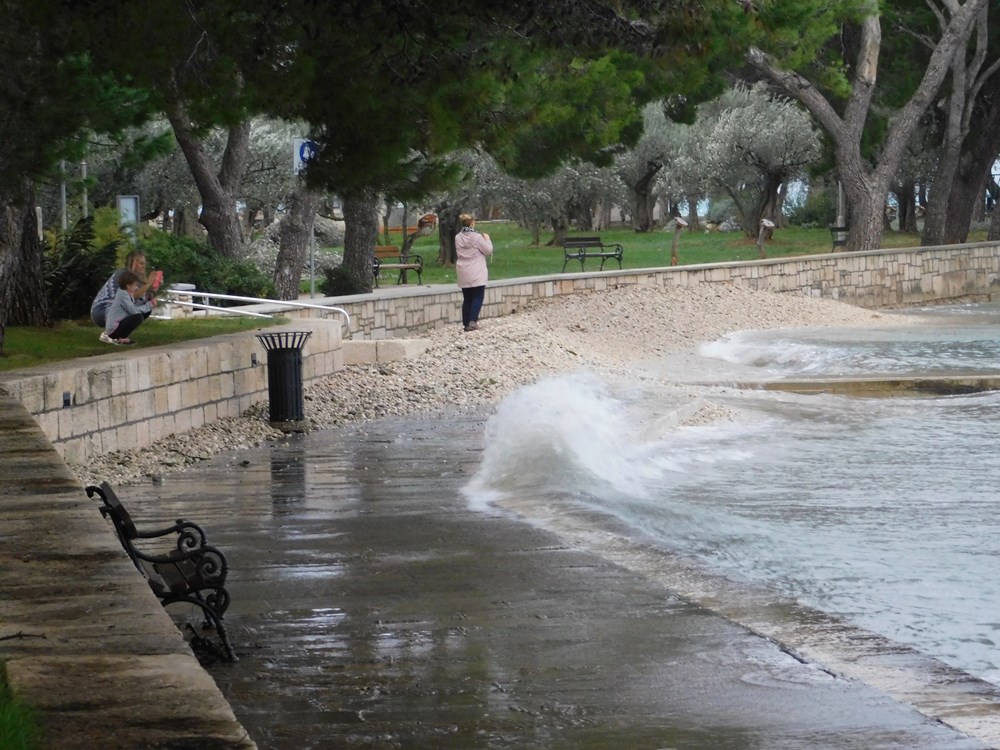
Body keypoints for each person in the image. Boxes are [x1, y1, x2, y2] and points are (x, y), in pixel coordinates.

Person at [91, 250, 162, 329]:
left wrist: (153, 289)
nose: (144, 267)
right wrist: (148, 284)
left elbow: (142, 302)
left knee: (145, 310)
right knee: (134, 312)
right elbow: (128, 298)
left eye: (144, 264)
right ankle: (111, 332)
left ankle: (117, 333)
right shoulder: (123, 275)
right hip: (102, 311)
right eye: (141, 263)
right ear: (133, 263)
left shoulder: (137, 281)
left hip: (113, 311)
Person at [454, 213, 493, 332]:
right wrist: (487, 239)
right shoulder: (477, 237)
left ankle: (466, 323)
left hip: (463, 270)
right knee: (478, 296)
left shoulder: (458, 237)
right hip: (476, 269)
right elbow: (488, 250)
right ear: (472, 223)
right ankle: (472, 321)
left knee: (467, 297)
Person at [101, 270, 157, 345]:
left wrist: (148, 302)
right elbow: (133, 310)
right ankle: (122, 338)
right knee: (138, 317)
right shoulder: (123, 295)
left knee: (145, 312)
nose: (136, 287)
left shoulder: (126, 293)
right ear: (128, 286)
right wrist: (149, 305)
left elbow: (135, 305)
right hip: (113, 329)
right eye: (135, 285)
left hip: (116, 326)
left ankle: (121, 337)